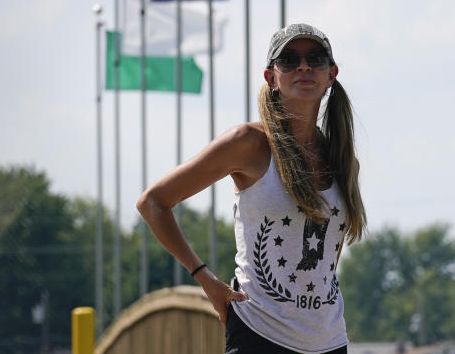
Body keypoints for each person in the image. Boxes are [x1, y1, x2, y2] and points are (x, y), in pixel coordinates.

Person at [136, 23, 366, 354]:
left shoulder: (343, 159)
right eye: (289, 59)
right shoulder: (249, 144)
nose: (303, 66)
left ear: (331, 74)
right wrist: (206, 280)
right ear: (271, 77)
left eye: (314, 58)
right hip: (259, 335)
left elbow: (330, 249)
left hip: (329, 341)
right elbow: (153, 202)